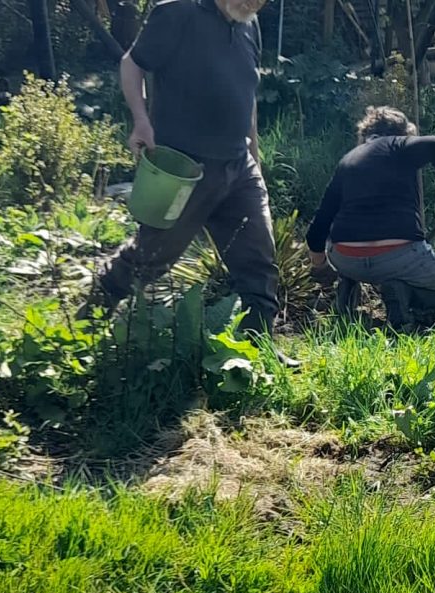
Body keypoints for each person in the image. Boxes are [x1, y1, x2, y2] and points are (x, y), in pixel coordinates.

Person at [79, 0, 287, 356]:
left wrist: (254, 156)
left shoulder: (249, 25)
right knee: (150, 257)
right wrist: (140, 120)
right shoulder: (177, 12)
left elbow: (247, 94)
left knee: (259, 259)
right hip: (183, 170)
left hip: (239, 166)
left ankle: (259, 349)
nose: (255, 2)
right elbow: (133, 63)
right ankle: (85, 326)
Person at [306, 107, 435, 332]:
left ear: (365, 134)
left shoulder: (347, 160)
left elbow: (319, 225)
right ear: (404, 132)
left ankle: (348, 284)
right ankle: (403, 293)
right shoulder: (398, 144)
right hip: (399, 257)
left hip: (346, 258)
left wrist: (320, 265)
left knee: (352, 252)